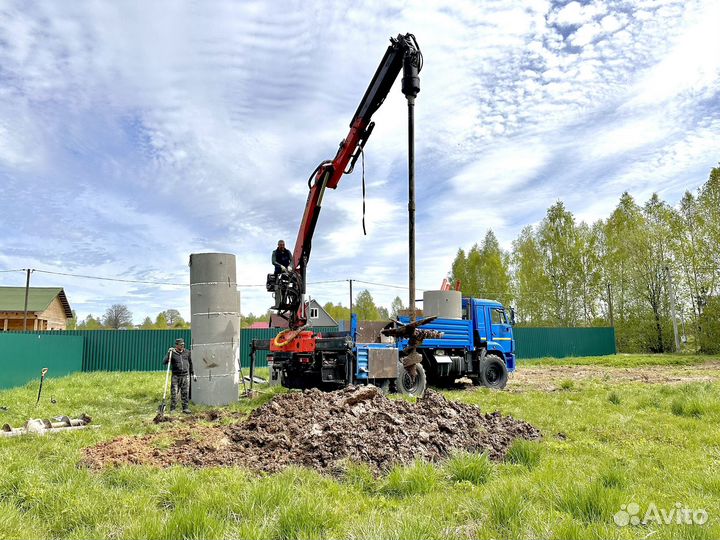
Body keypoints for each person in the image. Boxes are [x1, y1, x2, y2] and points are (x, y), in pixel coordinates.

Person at [163, 338, 196, 413]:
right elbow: (164, 362)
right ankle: (173, 409)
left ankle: (185, 408)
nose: (182, 346)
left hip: (185, 375)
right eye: (181, 345)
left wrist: (193, 373)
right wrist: (168, 353)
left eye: (183, 344)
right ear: (176, 345)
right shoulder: (172, 353)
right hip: (176, 376)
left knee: (185, 392)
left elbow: (190, 363)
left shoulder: (187, 352)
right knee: (174, 392)